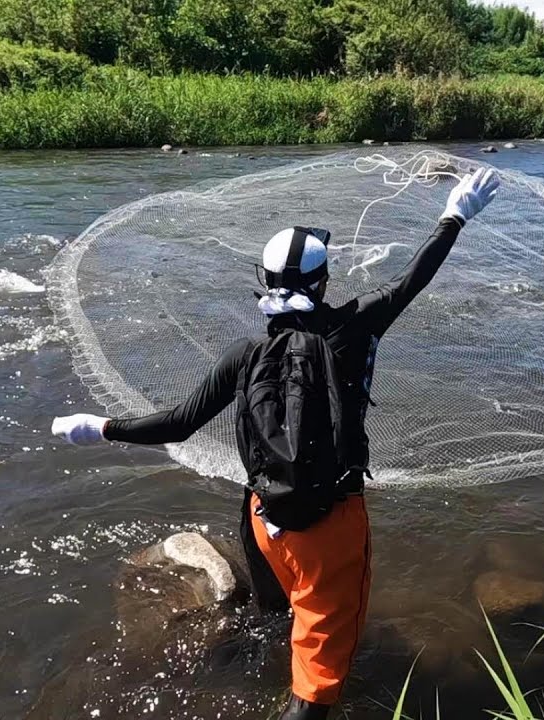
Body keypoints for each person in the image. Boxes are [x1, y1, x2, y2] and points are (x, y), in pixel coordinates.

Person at [51, 167, 500, 719]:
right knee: (315, 693)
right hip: (327, 531)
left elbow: (177, 423)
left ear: (263, 283)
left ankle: (247, 662)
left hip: (262, 518)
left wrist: (97, 427)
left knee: (276, 616)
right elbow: (414, 278)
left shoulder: (246, 354)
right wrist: (454, 216)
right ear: (324, 282)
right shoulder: (356, 327)